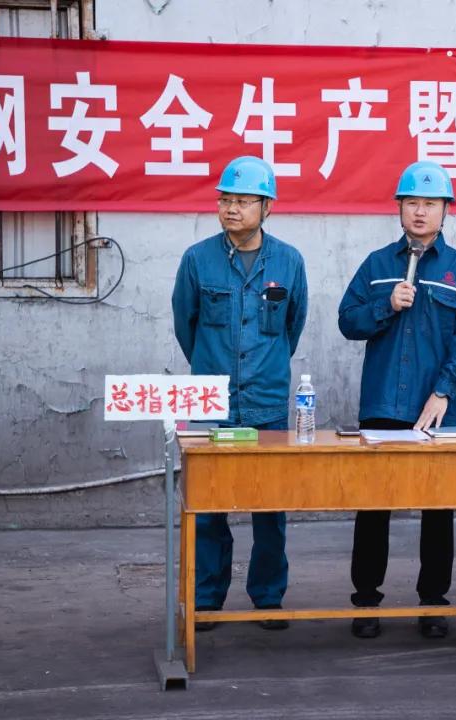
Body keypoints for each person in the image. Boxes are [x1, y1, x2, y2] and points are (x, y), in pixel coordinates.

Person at [338, 161, 456, 640]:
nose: (421, 212)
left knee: (438, 510)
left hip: (438, 410)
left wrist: (443, 391)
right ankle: (366, 601)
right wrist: (385, 305)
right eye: (412, 203)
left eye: (431, 204)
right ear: (399, 208)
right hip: (382, 405)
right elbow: (347, 321)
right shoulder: (377, 265)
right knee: (373, 508)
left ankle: (433, 602)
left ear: (445, 210)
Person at [171, 155, 308, 632]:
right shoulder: (197, 260)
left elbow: (292, 326)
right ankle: (208, 599)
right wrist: (212, 370)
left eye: (243, 200)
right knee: (208, 507)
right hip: (210, 402)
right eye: (225, 199)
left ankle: (268, 598)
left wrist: (263, 368)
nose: (231, 208)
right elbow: (185, 325)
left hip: (267, 403)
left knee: (270, 506)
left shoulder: (288, 261)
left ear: (267, 207)